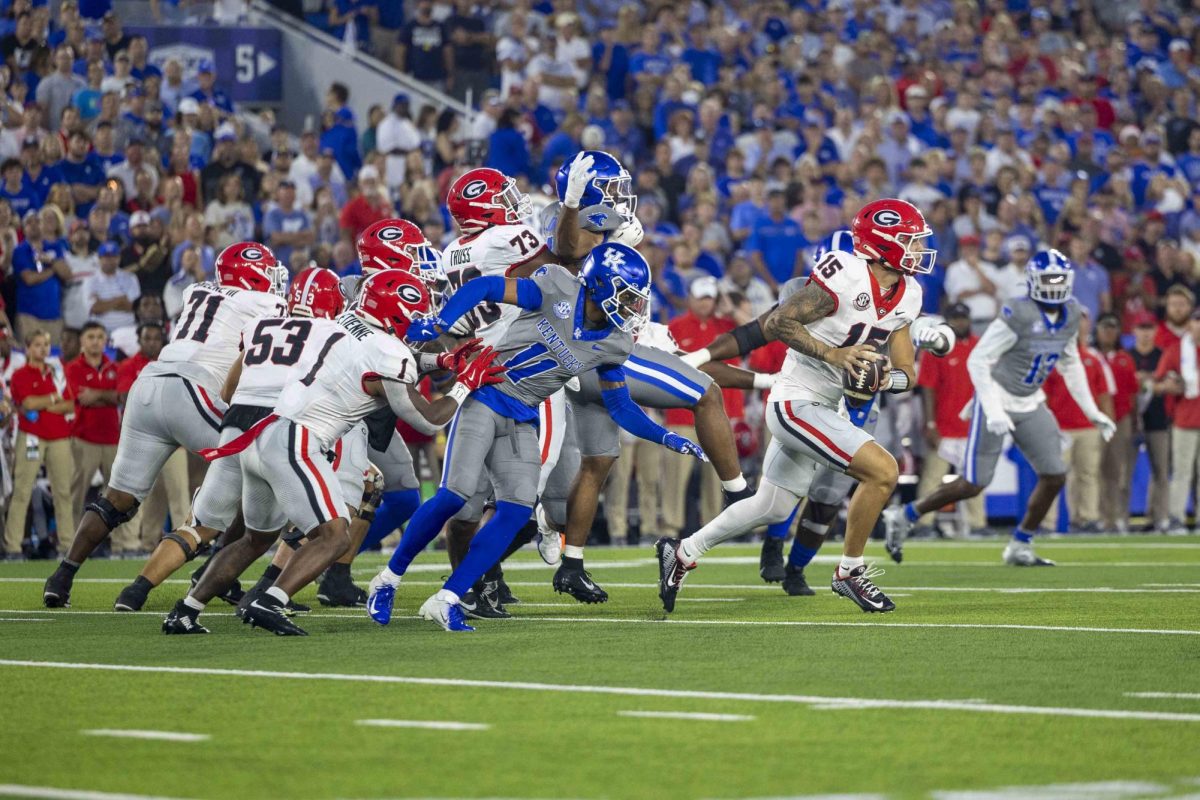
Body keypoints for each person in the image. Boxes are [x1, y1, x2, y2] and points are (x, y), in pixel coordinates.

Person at [367, 242, 705, 631]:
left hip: (524, 415)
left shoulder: (615, 342)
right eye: (627, 296)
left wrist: (665, 437)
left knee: (514, 511)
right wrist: (441, 323)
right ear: (600, 285)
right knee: (453, 498)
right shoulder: (557, 287)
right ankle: (387, 580)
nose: (632, 308)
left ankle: (448, 598)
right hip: (486, 396)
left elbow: (621, 407)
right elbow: (486, 288)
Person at [163, 269, 496, 635]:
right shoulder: (387, 350)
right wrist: (464, 383)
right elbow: (429, 420)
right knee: (335, 536)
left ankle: (185, 610)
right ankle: (270, 600)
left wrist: (441, 363)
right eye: (413, 314)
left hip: (258, 436)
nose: (418, 324)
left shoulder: (342, 324)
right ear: (395, 312)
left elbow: (374, 363)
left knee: (254, 538)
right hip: (295, 440)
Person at [656, 199, 930, 614]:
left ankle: (681, 552)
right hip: (795, 400)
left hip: (824, 405)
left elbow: (909, 368)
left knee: (773, 505)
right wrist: (832, 355)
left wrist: (885, 379)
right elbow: (781, 321)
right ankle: (849, 572)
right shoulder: (846, 274)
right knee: (884, 470)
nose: (918, 250)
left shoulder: (909, 293)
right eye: (910, 241)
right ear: (882, 244)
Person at [42, 243, 288, 608]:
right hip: (194, 388)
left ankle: (62, 575)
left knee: (117, 500)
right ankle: (197, 578)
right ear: (253, 275)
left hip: (151, 382)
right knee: (255, 470)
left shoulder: (197, 290)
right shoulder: (265, 304)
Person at [115, 268, 345, 612]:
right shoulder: (329, 334)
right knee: (316, 526)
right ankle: (273, 593)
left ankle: (140, 592)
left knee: (201, 525)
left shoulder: (261, 326)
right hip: (278, 430)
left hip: (236, 427)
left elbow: (227, 389)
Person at [884, 249, 1116, 566]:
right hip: (996, 394)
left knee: (1055, 475)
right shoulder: (1018, 311)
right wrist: (992, 410)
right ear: (1033, 281)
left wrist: (1092, 412)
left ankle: (1021, 543)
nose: (1054, 285)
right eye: (1048, 278)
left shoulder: (1072, 311)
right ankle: (907, 513)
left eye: (1059, 279)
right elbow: (979, 360)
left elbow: (1070, 362)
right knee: (973, 483)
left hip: (1030, 400)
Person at [4, 330, 75, 559]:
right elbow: (28, 403)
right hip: (32, 436)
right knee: (22, 490)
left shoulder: (57, 373)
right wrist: (54, 399)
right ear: (27, 347)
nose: (43, 349)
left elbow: (70, 406)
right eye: (37, 345)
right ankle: (12, 546)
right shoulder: (20, 374)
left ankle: (68, 545)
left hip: (59, 437)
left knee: (63, 492)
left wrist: (43, 404)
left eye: (45, 344)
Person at [914, 302, 984, 534]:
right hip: (944, 427)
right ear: (947, 321)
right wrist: (931, 423)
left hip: (972, 428)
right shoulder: (936, 347)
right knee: (933, 479)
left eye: (963, 318)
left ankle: (977, 524)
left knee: (975, 479)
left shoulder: (979, 346)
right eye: (955, 318)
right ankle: (923, 523)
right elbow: (928, 388)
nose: (960, 323)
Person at [1043, 311, 1115, 532]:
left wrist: (1106, 421)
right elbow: (1042, 395)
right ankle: (1047, 522)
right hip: (1060, 427)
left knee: (1087, 475)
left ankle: (1086, 518)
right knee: (1053, 477)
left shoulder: (1093, 359)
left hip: (1088, 427)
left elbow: (1103, 394)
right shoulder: (1051, 359)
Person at [65, 320, 121, 545]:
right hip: (83, 437)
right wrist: (107, 395)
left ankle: (123, 544)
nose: (96, 341)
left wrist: (96, 395)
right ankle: (68, 542)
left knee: (119, 495)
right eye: (91, 337)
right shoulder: (73, 368)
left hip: (112, 438)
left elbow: (120, 397)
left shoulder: (114, 368)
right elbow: (80, 397)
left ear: (106, 340)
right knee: (75, 493)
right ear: (82, 341)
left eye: (100, 336)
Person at [1154, 308, 1200, 535]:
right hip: (1185, 419)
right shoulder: (1177, 351)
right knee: (1182, 472)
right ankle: (1176, 518)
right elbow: (1157, 383)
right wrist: (1168, 387)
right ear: (1190, 325)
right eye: (1197, 321)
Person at [1094, 312, 1140, 533]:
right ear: (1097, 330)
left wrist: (1134, 420)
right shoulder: (1091, 356)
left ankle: (1118, 517)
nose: (1109, 332)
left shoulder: (1125, 358)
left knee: (1118, 472)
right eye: (1105, 328)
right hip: (1094, 420)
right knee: (1094, 471)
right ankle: (1098, 517)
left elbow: (1133, 393)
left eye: (1113, 328)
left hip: (1121, 420)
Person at [1132, 312, 1171, 532]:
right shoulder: (1126, 355)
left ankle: (1159, 518)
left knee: (1161, 472)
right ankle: (1116, 519)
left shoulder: (1163, 355)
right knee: (1121, 473)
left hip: (1159, 418)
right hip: (1130, 419)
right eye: (1141, 328)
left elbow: (1170, 382)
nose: (1145, 333)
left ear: (1155, 331)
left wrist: (1155, 385)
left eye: (1149, 328)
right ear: (1134, 331)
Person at [85, 240, 139, 332]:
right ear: (99, 258)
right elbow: (95, 308)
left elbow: (133, 307)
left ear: (119, 258)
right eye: (106, 257)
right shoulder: (90, 281)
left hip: (128, 328)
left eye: (113, 257)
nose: (109, 260)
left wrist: (103, 303)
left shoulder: (130, 278)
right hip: (100, 332)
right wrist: (121, 299)